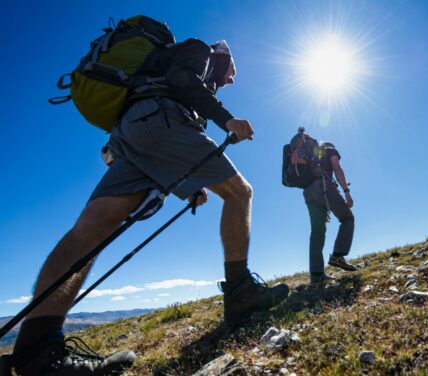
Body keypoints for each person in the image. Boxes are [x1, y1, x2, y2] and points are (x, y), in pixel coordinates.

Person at [5, 37, 288, 375]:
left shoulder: (160, 65)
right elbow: (183, 79)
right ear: (224, 57)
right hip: (162, 118)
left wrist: (189, 189)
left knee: (90, 230)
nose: (231, 79)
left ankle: (36, 351)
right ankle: (241, 292)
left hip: (131, 131)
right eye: (233, 72)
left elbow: (167, 116)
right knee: (240, 192)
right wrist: (226, 119)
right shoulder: (202, 51)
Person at [302, 137, 357, 285]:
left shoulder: (311, 156)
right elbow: (337, 168)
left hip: (308, 192)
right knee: (347, 218)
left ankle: (316, 275)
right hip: (323, 186)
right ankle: (338, 255)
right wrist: (346, 191)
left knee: (317, 231)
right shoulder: (330, 150)